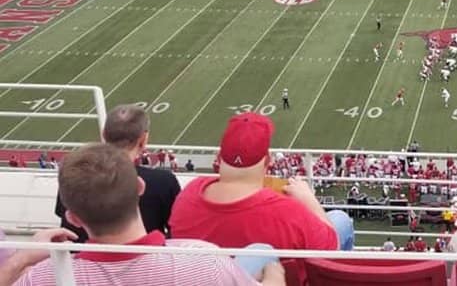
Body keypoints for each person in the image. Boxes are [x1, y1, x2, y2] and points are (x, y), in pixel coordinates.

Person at [1, 143, 282, 285]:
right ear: (140, 186)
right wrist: (274, 274)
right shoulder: (203, 259)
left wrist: (22, 259)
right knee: (264, 252)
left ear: (72, 217)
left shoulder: (42, 278)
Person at [169, 113, 353, 252]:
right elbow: (331, 246)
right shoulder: (287, 211)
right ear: (267, 161)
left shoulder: (188, 195)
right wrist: (309, 200)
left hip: (208, 278)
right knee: (340, 220)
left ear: (218, 157)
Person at [56, 105, 180, 242]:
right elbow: (177, 230)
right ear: (143, 139)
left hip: (81, 258)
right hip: (149, 257)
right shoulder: (163, 181)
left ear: (104, 134)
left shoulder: (75, 177)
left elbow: (66, 225)